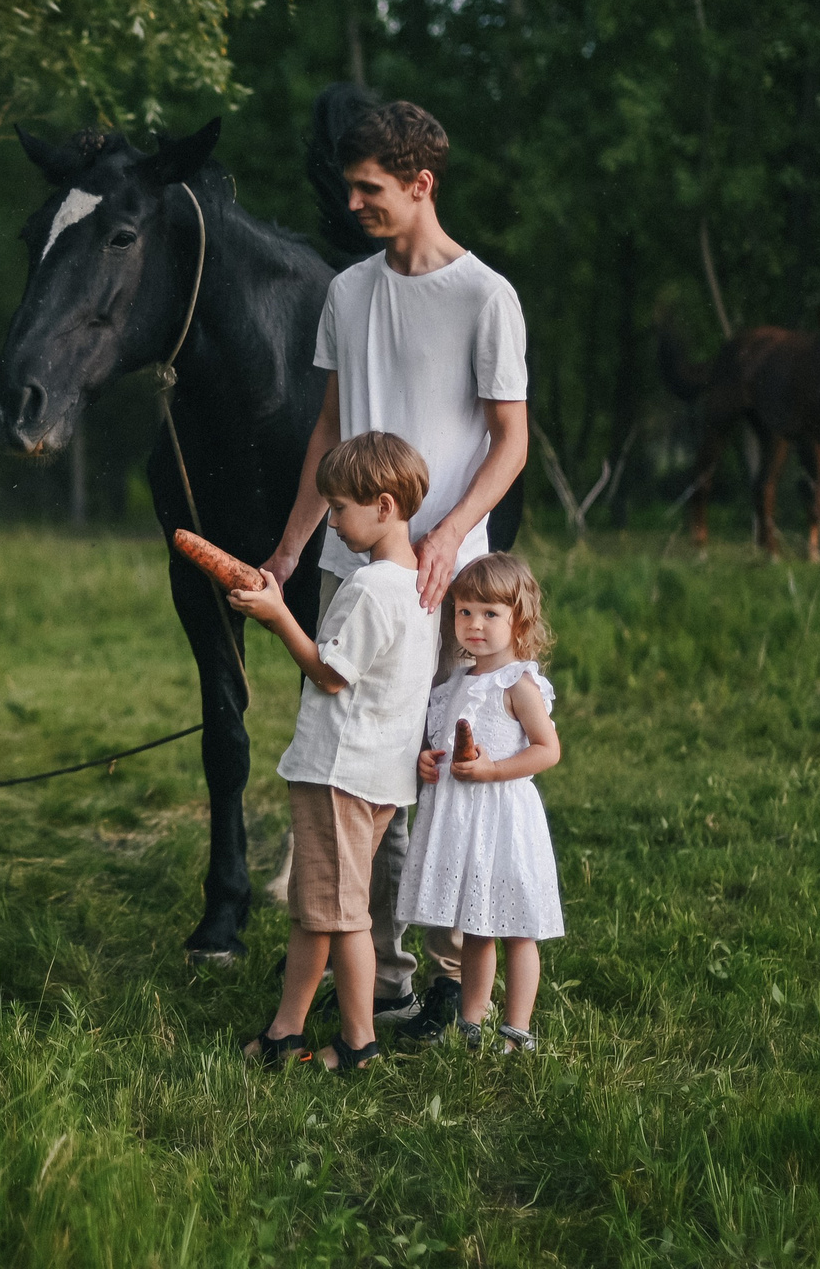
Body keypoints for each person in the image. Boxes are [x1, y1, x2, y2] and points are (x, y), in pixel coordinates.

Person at [263, 93, 529, 1045]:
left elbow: (511, 440)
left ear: (421, 185)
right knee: (355, 765)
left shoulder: (485, 295)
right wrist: (295, 544)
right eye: (349, 187)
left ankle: (451, 973)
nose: (353, 204)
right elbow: (330, 431)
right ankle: (379, 978)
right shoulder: (348, 292)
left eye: (370, 188)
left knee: (438, 771)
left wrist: (452, 534)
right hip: (352, 568)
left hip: (446, 580)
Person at [227, 432, 436, 1074]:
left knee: (343, 916)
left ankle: (358, 1043)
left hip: (338, 774)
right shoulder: (418, 587)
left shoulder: (371, 589)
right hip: (376, 776)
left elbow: (329, 673)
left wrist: (275, 614)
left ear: (383, 505)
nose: (335, 523)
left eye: (340, 509)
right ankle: (285, 1032)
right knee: (317, 909)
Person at [396, 553, 564, 1053]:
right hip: (463, 822)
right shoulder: (453, 687)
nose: (474, 625)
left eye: (490, 614)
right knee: (474, 924)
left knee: (517, 930)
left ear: (519, 620)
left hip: (503, 819)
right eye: (464, 612)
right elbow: (444, 748)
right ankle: (471, 1023)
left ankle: (517, 1029)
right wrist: (429, 763)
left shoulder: (519, 684)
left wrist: (492, 770)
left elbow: (547, 749)